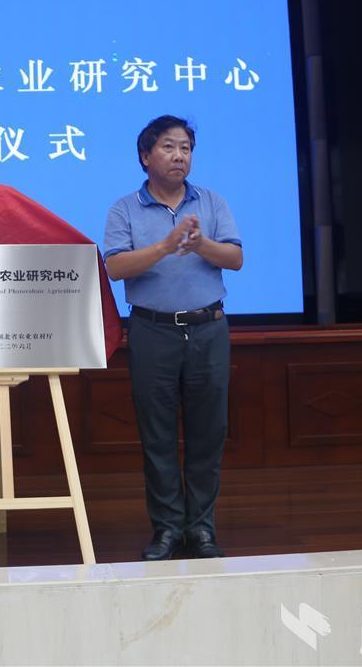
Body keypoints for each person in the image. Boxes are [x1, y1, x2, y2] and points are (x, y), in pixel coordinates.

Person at [103, 114, 243, 561]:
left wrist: (201, 245)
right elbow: (115, 267)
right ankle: (166, 529)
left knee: (208, 434)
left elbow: (235, 258)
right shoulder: (125, 209)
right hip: (152, 331)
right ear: (145, 156)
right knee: (157, 436)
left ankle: (200, 529)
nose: (179, 155)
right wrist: (165, 246)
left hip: (208, 328)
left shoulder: (212, 202)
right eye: (168, 146)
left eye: (185, 147)